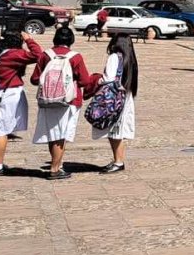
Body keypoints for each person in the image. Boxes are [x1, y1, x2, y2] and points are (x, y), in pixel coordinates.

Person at [30, 27, 97, 180]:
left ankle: (57, 164)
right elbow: (84, 81)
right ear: (71, 40)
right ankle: (55, 168)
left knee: (52, 133)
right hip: (69, 100)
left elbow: (34, 79)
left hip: (47, 99)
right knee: (62, 134)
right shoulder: (75, 57)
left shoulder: (45, 55)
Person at [0, 27, 45, 175]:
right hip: (6, 96)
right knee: (1, 131)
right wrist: (29, 39)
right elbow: (38, 55)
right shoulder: (13, 54)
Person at [92, 34, 138, 174]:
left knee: (115, 131)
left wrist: (96, 80)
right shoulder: (130, 59)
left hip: (114, 99)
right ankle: (118, 160)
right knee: (119, 130)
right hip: (125, 97)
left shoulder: (114, 57)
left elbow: (109, 78)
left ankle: (118, 161)